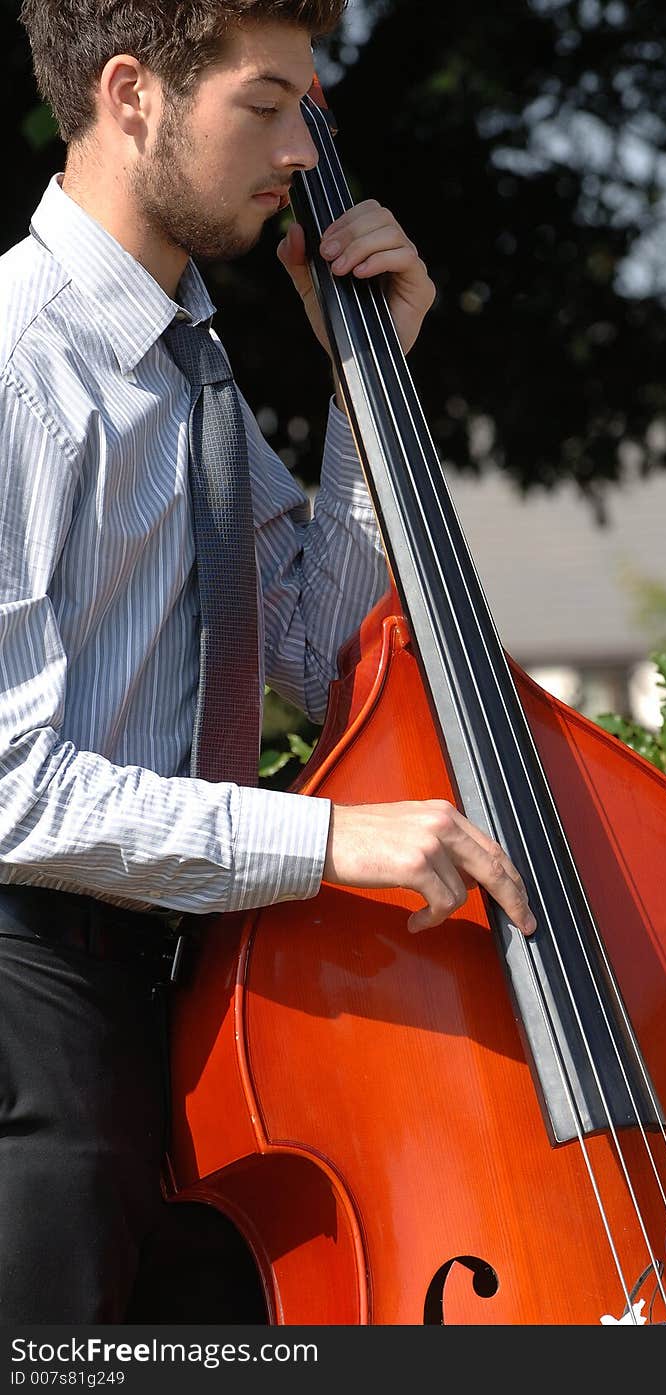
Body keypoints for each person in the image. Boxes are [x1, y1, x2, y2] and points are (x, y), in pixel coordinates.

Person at [0, 0, 535, 1324]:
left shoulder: (190, 365)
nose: (303, 146)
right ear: (133, 95)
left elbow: (309, 650)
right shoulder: (22, 367)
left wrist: (369, 380)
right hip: (32, 1015)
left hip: (178, 1010)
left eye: (309, 104)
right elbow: (9, 788)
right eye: (266, 101)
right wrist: (327, 841)